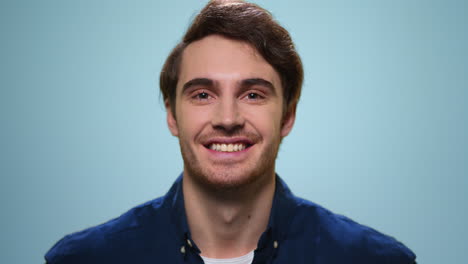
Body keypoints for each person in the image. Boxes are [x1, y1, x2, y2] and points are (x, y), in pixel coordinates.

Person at [45, 0, 417, 263]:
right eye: (203, 94)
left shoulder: (371, 260)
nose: (227, 118)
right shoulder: (86, 259)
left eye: (253, 94)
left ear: (287, 115)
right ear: (172, 116)